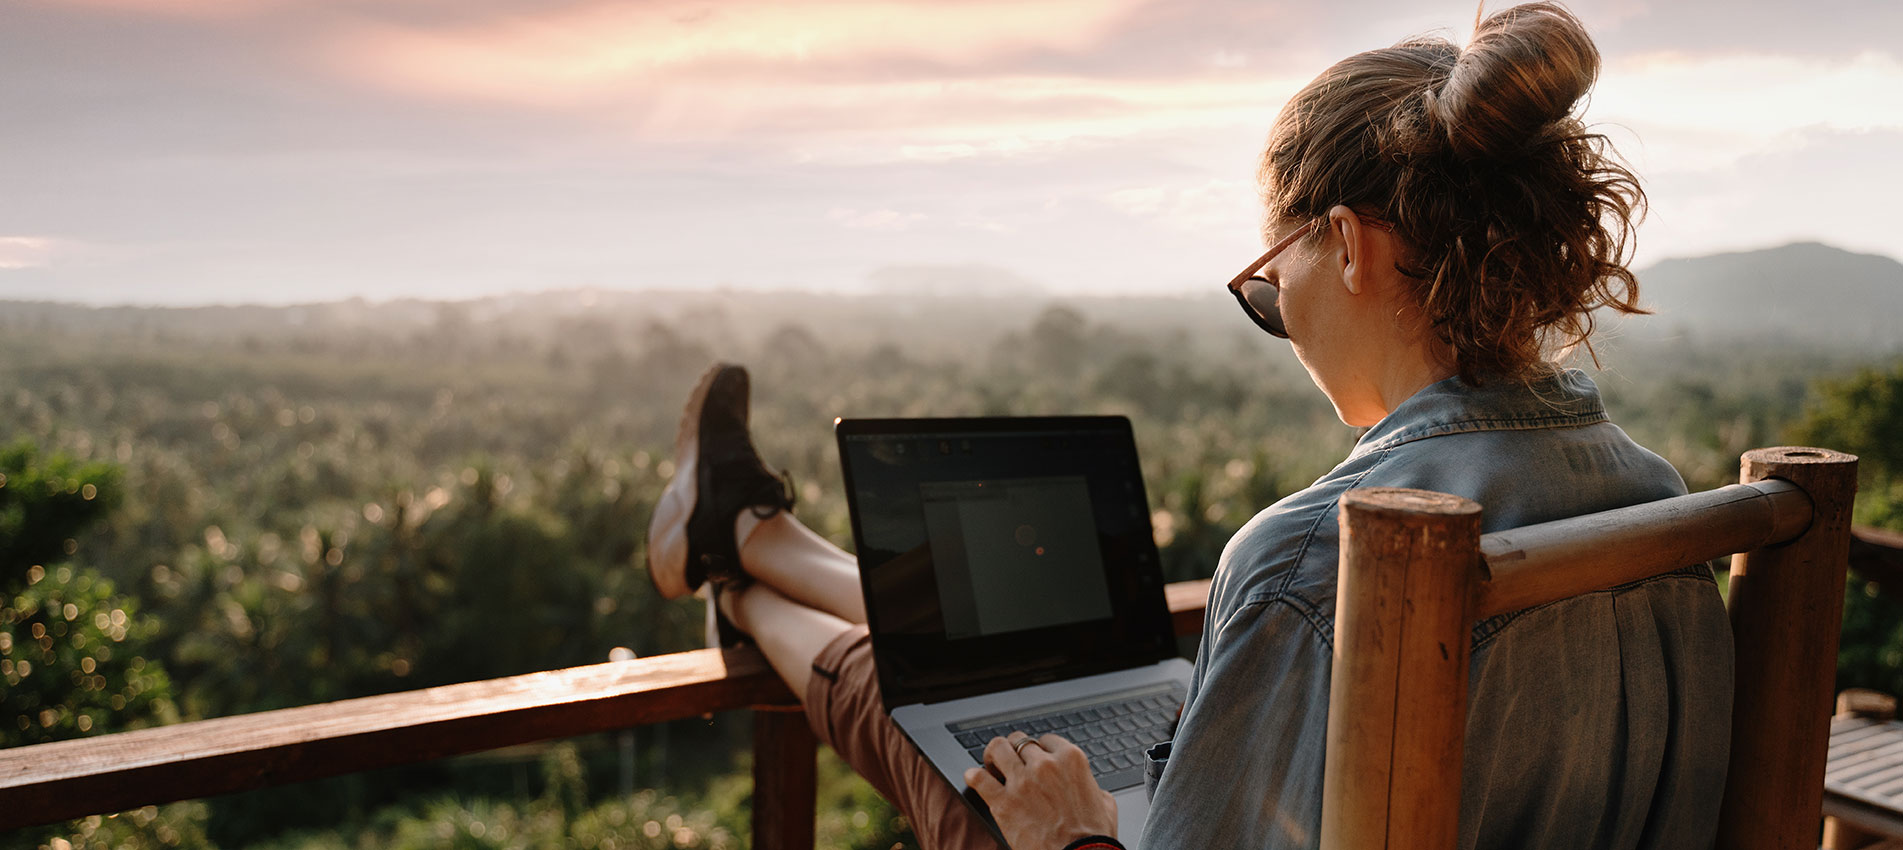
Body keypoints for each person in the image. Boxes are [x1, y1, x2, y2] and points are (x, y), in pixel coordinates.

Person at [642, 3, 1732, 848]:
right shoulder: (1663, 505)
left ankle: (737, 569)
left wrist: (1068, 830)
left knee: (934, 721)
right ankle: (747, 540)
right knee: (1003, 686)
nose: (1279, 315)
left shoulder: (1318, 561)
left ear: (1346, 246)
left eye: (1270, 284)